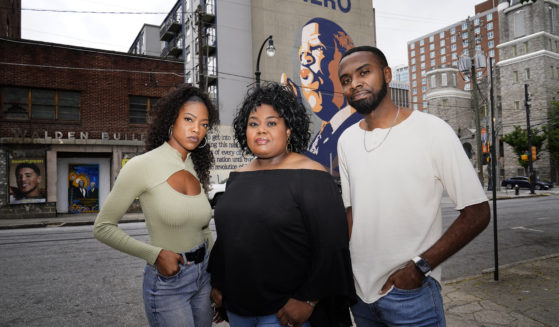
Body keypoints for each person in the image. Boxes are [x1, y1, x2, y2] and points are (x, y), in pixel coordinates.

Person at [337, 46, 491, 326]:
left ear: (386, 74)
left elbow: (477, 212)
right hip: (359, 294)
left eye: (364, 73)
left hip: (410, 294)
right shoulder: (346, 140)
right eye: (346, 80)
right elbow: (352, 213)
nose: (355, 83)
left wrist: (419, 269)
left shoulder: (431, 130)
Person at [208, 83, 355, 327]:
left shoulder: (313, 176)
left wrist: (308, 299)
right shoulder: (237, 176)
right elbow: (228, 239)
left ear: (288, 129)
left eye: (271, 123)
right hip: (238, 307)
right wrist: (219, 283)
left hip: (285, 312)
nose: (261, 130)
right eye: (253, 123)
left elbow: (332, 246)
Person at [93, 85, 218, 327]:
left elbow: (203, 228)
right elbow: (103, 227)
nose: (196, 129)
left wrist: (216, 276)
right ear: (172, 119)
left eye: (204, 124)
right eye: (189, 119)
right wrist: (155, 254)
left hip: (204, 278)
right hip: (169, 282)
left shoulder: (195, 166)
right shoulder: (141, 166)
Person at [282, 17, 361, 170]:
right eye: (302, 57)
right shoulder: (324, 132)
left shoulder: (361, 128)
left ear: (346, 63)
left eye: (316, 49)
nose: (304, 72)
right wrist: (295, 109)